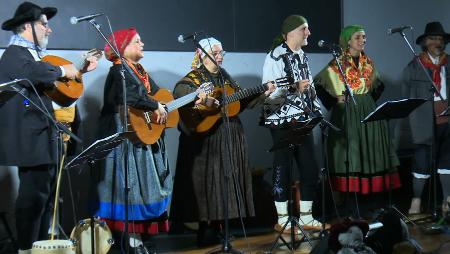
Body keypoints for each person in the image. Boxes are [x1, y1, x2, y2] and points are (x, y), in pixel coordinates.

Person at [0, 2, 98, 253]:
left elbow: (56, 85)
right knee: (33, 198)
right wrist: (66, 68)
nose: (49, 30)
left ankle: (40, 247)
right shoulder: (14, 54)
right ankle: (25, 248)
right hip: (29, 138)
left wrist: (79, 69)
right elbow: (36, 72)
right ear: (26, 26)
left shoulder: (34, 59)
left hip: (44, 135)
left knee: (45, 199)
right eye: (44, 24)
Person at [170, 37, 273, 246]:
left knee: (225, 183)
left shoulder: (226, 78)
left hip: (230, 136)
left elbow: (239, 102)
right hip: (207, 142)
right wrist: (205, 102)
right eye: (216, 53)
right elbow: (182, 95)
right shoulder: (193, 79)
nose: (220, 57)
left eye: (222, 53)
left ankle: (222, 228)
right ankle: (206, 229)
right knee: (208, 185)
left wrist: (263, 92)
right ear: (203, 55)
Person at [94, 28, 172, 253]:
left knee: (142, 185)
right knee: (127, 184)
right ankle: (128, 239)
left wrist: (170, 104)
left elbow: (158, 95)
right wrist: (153, 106)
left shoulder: (139, 71)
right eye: (137, 41)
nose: (142, 44)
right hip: (122, 133)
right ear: (123, 47)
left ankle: (136, 237)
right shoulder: (118, 70)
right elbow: (128, 96)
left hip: (138, 134)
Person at [313, 25, 401, 214]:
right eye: (358, 37)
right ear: (347, 41)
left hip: (368, 112)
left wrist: (365, 101)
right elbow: (318, 85)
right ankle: (351, 204)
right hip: (346, 114)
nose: (363, 40)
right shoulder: (336, 64)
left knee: (371, 151)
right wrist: (335, 100)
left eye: (364, 37)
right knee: (351, 154)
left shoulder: (368, 62)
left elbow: (379, 85)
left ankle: (371, 202)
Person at [262, 15, 324, 232]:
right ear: (291, 32)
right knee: (283, 168)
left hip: (303, 120)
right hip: (282, 121)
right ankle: (282, 219)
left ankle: (306, 217)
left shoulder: (302, 55)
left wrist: (315, 109)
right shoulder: (275, 57)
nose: (309, 33)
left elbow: (310, 86)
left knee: (310, 169)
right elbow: (269, 94)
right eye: (304, 29)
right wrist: (293, 88)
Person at [402, 22, 450, 215]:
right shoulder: (416, 65)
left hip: (447, 119)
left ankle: (447, 199)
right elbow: (406, 94)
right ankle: (416, 200)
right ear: (425, 43)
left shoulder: (449, 63)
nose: (437, 42)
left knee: (447, 160)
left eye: (440, 39)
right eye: (432, 39)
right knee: (422, 160)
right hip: (424, 120)